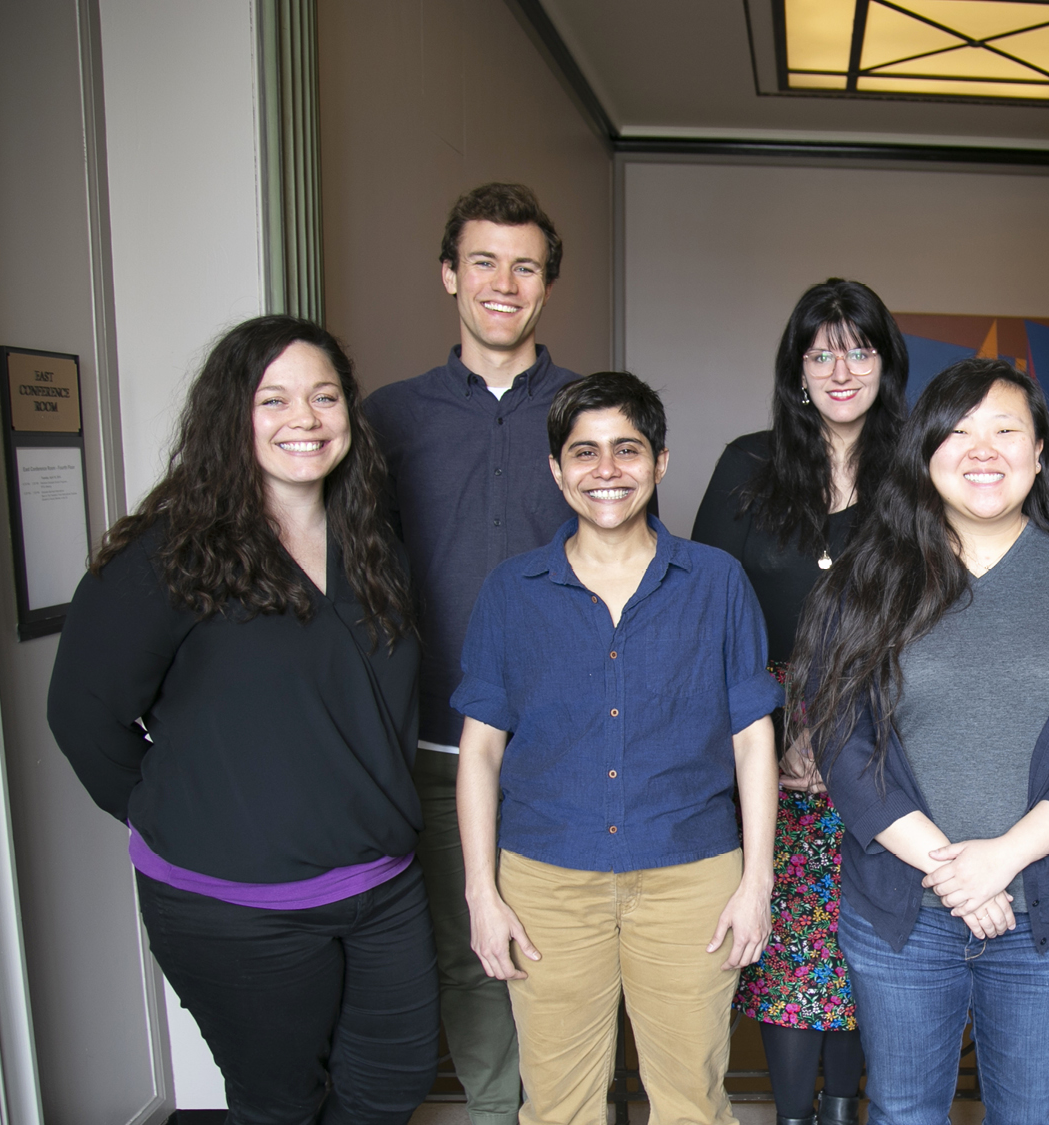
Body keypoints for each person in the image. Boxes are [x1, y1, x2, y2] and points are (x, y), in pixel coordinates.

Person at [48, 316, 437, 1122]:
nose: (305, 418)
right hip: (235, 907)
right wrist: (191, 818)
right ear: (233, 416)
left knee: (392, 1086)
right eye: (274, 400)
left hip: (381, 885)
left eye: (324, 397)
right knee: (279, 1103)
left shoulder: (373, 542)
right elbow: (83, 717)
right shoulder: (170, 553)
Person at [794, 358, 1049, 1125]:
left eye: (1005, 430)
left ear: (1039, 450)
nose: (982, 449)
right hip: (902, 912)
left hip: (1045, 913)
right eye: (958, 431)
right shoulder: (867, 576)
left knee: (1033, 1111)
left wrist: (1002, 859)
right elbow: (840, 739)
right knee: (902, 1111)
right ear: (924, 450)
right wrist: (955, 871)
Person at [454, 372, 780, 1125]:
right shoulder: (511, 590)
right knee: (557, 1107)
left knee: (693, 1104)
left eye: (627, 449)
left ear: (660, 462)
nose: (607, 470)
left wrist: (756, 883)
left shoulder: (716, 582)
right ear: (556, 469)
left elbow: (752, 739)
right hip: (546, 883)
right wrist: (481, 893)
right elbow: (480, 752)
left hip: (690, 878)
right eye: (585, 452)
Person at [362, 181, 579, 1125]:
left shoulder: (590, 413)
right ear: (449, 273)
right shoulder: (385, 419)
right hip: (437, 743)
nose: (503, 283)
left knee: (573, 950)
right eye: (483, 261)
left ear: (546, 285)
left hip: (570, 745)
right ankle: (498, 1111)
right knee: (469, 947)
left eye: (525, 266)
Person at [692, 279, 909, 1125]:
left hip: (890, 726)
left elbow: (939, 609)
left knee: (867, 937)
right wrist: (779, 726)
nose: (841, 370)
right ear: (797, 369)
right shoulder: (748, 465)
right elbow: (707, 610)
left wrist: (844, 726)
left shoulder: (916, 469)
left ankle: (847, 1108)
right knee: (787, 938)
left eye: (859, 350)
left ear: (886, 362)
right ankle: (792, 1115)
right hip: (763, 731)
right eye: (821, 354)